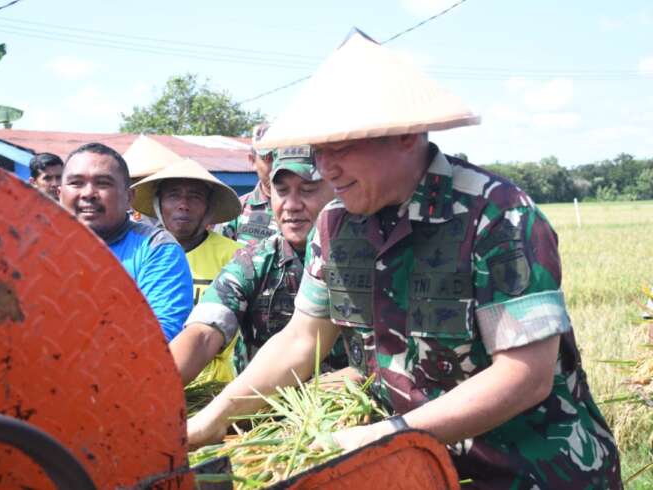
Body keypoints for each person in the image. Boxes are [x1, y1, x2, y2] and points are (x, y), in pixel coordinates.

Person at [187, 31, 621, 489]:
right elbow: (302, 339)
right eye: (319, 150)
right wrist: (214, 418)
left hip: (531, 470)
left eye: (341, 146)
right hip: (418, 470)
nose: (326, 167)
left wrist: (385, 436)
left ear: (406, 136)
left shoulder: (496, 216)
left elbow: (524, 375)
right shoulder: (335, 224)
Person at [170, 146, 348, 386]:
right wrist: (157, 387)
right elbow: (203, 333)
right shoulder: (252, 262)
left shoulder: (363, 258)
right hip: (255, 401)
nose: (291, 205)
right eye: (281, 191)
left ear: (337, 189)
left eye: (307, 190)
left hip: (345, 400)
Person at [59, 142, 192, 342]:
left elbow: (159, 336)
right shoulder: (34, 247)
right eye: (76, 183)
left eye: (103, 183)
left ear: (129, 197)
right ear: (59, 194)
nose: (88, 193)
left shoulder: (156, 248)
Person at [131, 159, 243, 383]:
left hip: (217, 386)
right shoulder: (138, 254)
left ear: (209, 207)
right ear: (158, 203)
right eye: (173, 195)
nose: (183, 205)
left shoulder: (237, 257)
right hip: (148, 379)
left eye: (195, 197)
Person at [217, 123, 279, 246]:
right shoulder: (236, 211)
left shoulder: (310, 206)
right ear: (253, 161)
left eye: (281, 156)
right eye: (269, 158)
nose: (277, 165)